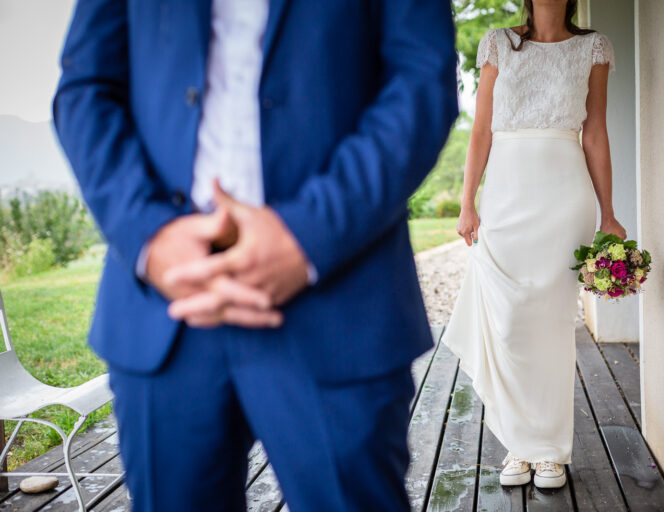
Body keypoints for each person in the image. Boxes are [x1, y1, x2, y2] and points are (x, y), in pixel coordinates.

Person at [52, 0, 458, 510]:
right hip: (167, 314)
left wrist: (309, 232)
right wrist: (149, 236)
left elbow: (421, 80)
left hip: (339, 299)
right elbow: (85, 87)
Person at [440, 0, 626, 490]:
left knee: (549, 324)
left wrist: (607, 213)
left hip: (565, 195)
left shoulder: (594, 47)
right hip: (505, 193)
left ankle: (546, 452)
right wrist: (468, 202)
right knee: (509, 321)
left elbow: (595, 133)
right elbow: (480, 129)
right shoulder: (499, 43)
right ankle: (517, 444)